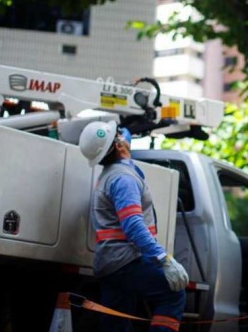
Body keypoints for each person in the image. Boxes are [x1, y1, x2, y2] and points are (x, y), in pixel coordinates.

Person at [79, 120, 188, 332]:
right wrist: (163, 258)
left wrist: (123, 131)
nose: (123, 135)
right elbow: (133, 224)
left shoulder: (113, 173)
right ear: (119, 145)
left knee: (115, 322)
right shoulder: (123, 178)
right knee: (173, 291)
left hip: (111, 262)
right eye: (119, 134)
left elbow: (124, 136)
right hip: (126, 260)